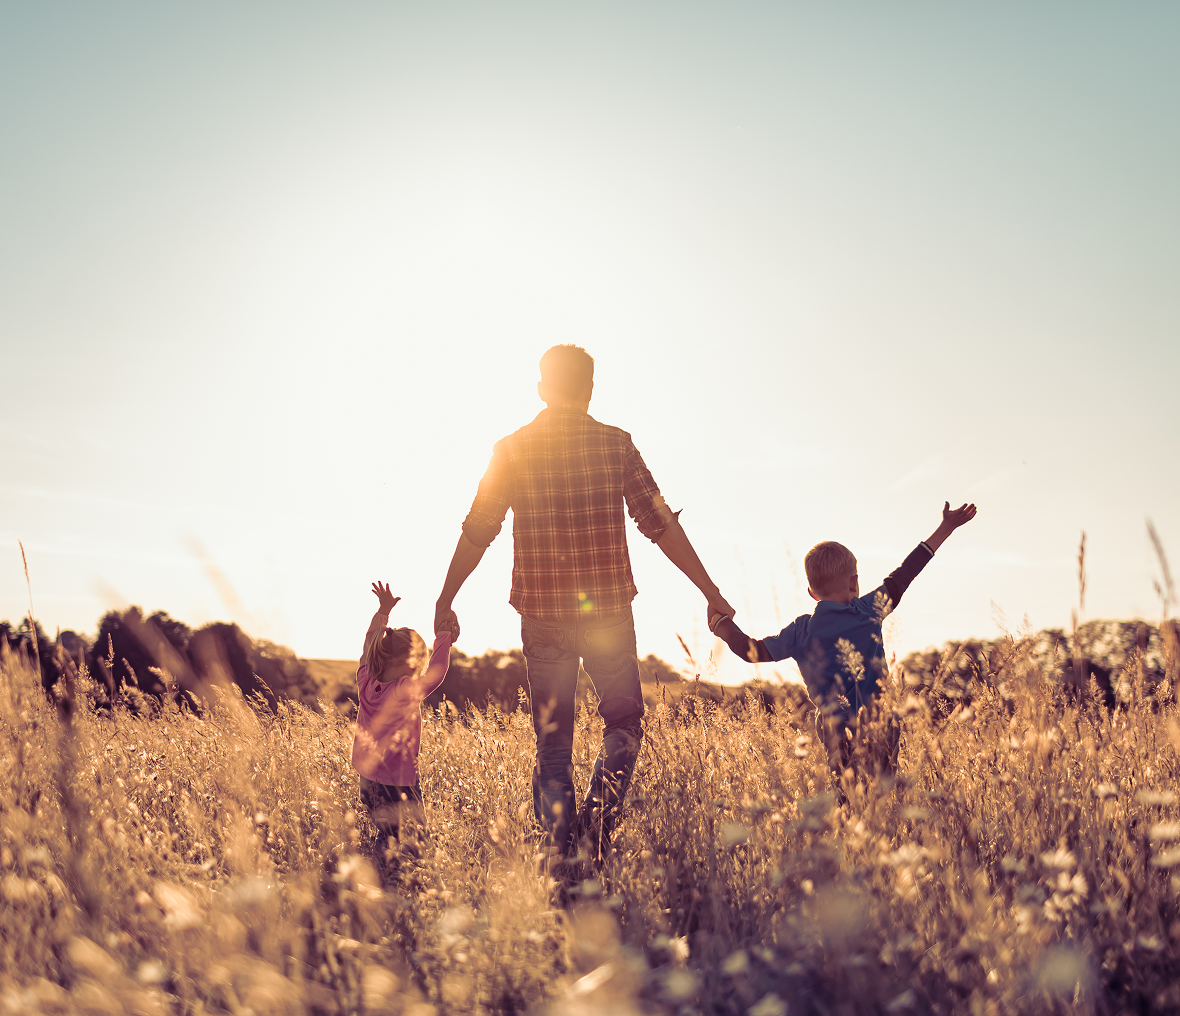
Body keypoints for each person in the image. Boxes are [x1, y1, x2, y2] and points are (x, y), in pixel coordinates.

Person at [435, 344, 733, 867]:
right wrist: (710, 591)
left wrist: (446, 597)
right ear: (591, 388)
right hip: (608, 618)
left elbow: (478, 529)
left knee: (553, 743)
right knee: (623, 723)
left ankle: (558, 854)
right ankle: (593, 834)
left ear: (542, 389)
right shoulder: (616, 445)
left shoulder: (511, 449)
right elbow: (661, 524)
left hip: (542, 615)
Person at [710, 501, 977, 785]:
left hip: (836, 730)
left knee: (847, 795)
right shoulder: (869, 610)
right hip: (882, 722)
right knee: (883, 795)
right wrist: (946, 527)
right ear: (854, 582)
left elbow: (753, 651)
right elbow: (905, 573)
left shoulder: (802, 630)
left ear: (812, 592)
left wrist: (722, 625)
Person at [353, 581, 455, 874]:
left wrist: (382, 612)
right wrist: (443, 637)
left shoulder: (366, 681)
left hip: (367, 780)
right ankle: (398, 884)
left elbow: (369, 642)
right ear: (413, 661)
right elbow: (437, 673)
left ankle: (380, 876)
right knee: (415, 843)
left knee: (387, 837)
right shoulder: (404, 690)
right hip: (396, 783)